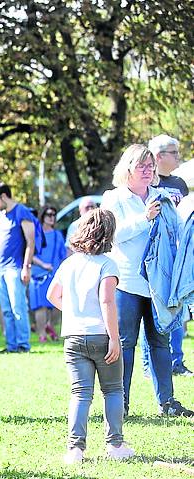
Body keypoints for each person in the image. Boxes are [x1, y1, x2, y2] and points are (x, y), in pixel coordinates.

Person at [101, 144, 192, 417]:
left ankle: (168, 402)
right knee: (125, 344)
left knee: (160, 343)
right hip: (126, 282)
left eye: (150, 166)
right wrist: (144, 218)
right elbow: (112, 235)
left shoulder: (161, 196)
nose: (147, 170)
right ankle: (122, 403)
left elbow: (174, 231)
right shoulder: (113, 198)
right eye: (141, 166)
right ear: (127, 168)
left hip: (158, 285)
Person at [46, 208, 135, 464]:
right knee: (113, 390)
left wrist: (74, 311)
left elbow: (53, 295)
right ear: (109, 234)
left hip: (73, 337)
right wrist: (115, 338)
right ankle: (115, 444)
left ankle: (75, 449)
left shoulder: (69, 263)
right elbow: (107, 302)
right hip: (101, 336)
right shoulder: (107, 264)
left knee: (80, 393)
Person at [142, 134, 192, 377]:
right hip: (153, 257)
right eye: (174, 152)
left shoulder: (180, 184)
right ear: (160, 156)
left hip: (177, 255)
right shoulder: (146, 184)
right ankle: (148, 365)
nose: (178, 157)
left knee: (177, 306)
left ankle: (177, 360)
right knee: (152, 312)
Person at [0, 181, 36, 353]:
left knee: (18, 307)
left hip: (14, 268)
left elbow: (31, 242)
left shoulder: (22, 212)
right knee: (6, 310)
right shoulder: (0, 216)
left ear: (4, 196)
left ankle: (23, 345)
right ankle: (11, 345)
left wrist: (26, 267)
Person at [30, 206, 66, 342]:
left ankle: (50, 325)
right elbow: (30, 254)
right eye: (48, 214)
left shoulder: (57, 235)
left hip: (55, 274)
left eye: (54, 215)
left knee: (56, 305)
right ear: (42, 216)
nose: (51, 217)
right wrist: (43, 265)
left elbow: (63, 255)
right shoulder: (36, 234)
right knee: (40, 306)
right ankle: (42, 334)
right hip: (38, 275)